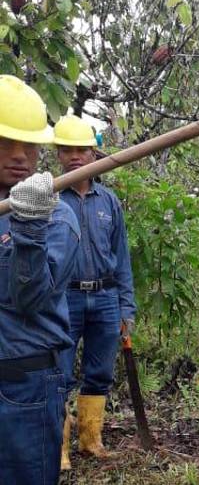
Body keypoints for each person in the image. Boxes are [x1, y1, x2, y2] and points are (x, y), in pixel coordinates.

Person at [0, 75, 80, 484]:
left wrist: (27, 229)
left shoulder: (58, 217)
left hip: (24, 387)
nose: (19, 156)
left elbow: (29, 298)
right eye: (6, 144)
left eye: (28, 145)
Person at [54, 114, 136, 469]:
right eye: (68, 150)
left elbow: (121, 260)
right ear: (58, 154)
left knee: (99, 371)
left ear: (93, 154)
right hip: (65, 298)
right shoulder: (52, 199)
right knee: (58, 373)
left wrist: (126, 308)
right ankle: (58, 450)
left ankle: (91, 441)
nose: (75, 156)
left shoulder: (109, 202)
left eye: (82, 150)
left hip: (104, 298)